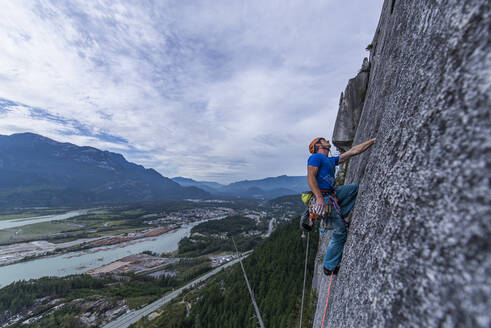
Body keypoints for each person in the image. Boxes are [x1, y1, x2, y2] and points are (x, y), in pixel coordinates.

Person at [306, 137, 376, 275]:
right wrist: (319, 197)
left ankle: (341, 216)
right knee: (340, 233)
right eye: (323, 140)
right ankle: (328, 267)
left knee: (353, 189)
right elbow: (310, 177)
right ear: (318, 145)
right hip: (324, 198)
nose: (327, 140)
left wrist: (373, 140)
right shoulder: (315, 157)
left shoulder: (330, 160)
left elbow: (353, 151)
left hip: (332, 194)